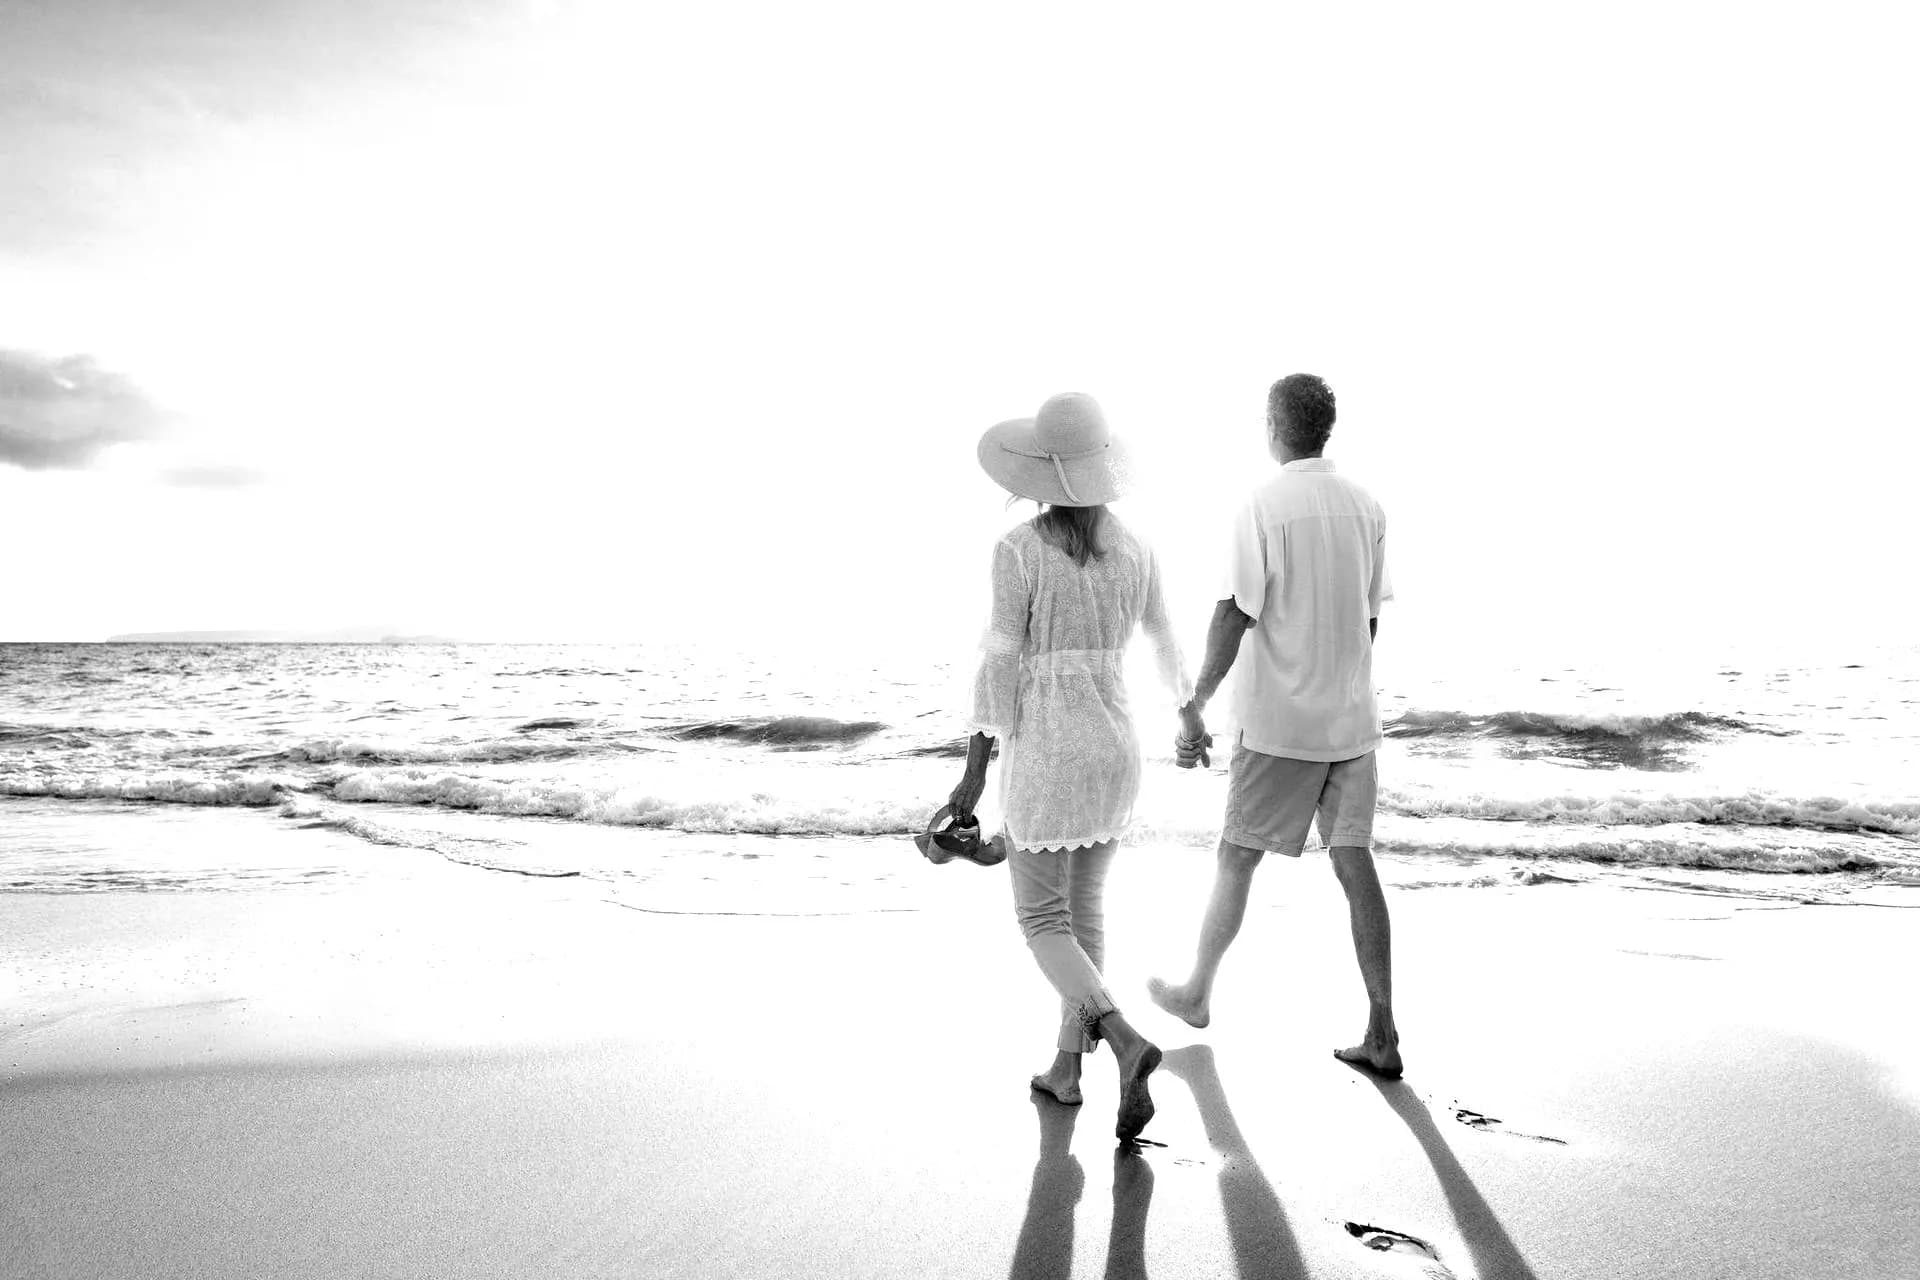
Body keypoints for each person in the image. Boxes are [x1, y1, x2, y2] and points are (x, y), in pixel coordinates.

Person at [948, 391, 1193, 1142]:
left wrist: (974, 773)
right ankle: (1066, 1070)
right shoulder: (1139, 549)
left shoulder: (1019, 550)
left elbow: (999, 660)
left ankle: (1123, 1040)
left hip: (1050, 749)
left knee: (1042, 920)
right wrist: (1188, 714)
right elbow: (1164, 640)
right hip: (1117, 746)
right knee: (1085, 917)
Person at [1148, 373, 1402, 1077]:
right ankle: (1383, 1029)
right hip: (1351, 722)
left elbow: (1235, 611)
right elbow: (1369, 621)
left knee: (1236, 858)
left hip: (1280, 725)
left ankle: (1197, 992)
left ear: (1272, 426)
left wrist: (1196, 703)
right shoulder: (1368, 506)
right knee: (1355, 864)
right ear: (1325, 428)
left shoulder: (1261, 506)